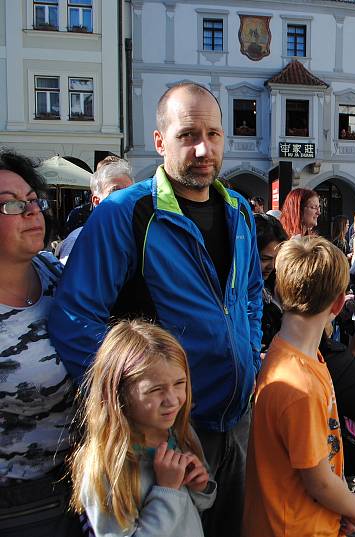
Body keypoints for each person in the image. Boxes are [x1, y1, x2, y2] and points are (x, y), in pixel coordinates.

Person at [49, 82, 262, 537]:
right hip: (166, 433)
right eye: (188, 134)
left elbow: (249, 296)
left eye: (214, 133)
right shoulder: (126, 212)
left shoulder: (239, 209)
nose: (204, 148)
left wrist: (251, 360)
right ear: (160, 140)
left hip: (235, 420)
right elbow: (73, 318)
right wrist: (137, 406)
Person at [243, 237, 355, 537]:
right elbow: (318, 481)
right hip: (294, 526)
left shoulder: (287, 351)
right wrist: (354, 505)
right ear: (339, 303)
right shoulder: (300, 386)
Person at [70, 320, 216, 536]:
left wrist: (202, 486)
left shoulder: (181, 434)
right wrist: (167, 491)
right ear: (118, 393)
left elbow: (201, 504)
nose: (173, 400)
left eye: (179, 383)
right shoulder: (107, 468)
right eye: (155, 390)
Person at [0, 150, 81, 537]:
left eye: (32, 200)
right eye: (10, 205)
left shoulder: (55, 273)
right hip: (17, 507)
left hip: (80, 485)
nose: (31, 211)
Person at [57, 157, 134, 263]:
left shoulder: (141, 237)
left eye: (130, 192)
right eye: (115, 191)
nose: (125, 198)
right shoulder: (78, 240)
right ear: (97, 201)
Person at [256, 214, 289, 351]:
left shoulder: (279, 283)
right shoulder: (235, 290)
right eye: (264, 259)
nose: (272, 266)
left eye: (276, 259)